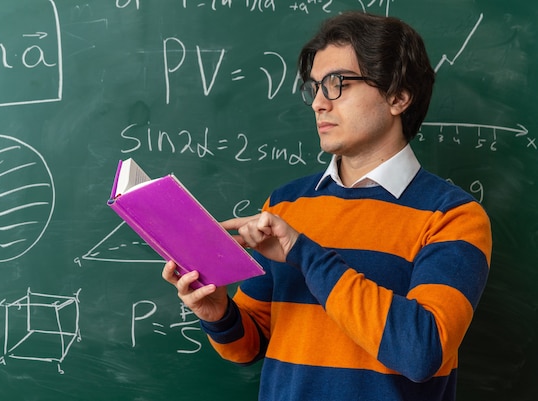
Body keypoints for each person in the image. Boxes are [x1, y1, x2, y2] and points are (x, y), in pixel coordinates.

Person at [162, 11, 491, 401]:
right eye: (315, 87)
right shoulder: (286, 204)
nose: (318, 103)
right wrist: (217, 312)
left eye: (337, 84)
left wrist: (306, 254)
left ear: (398, 96)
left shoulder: (453, 216)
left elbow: (421, 351)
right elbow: (248, 347)